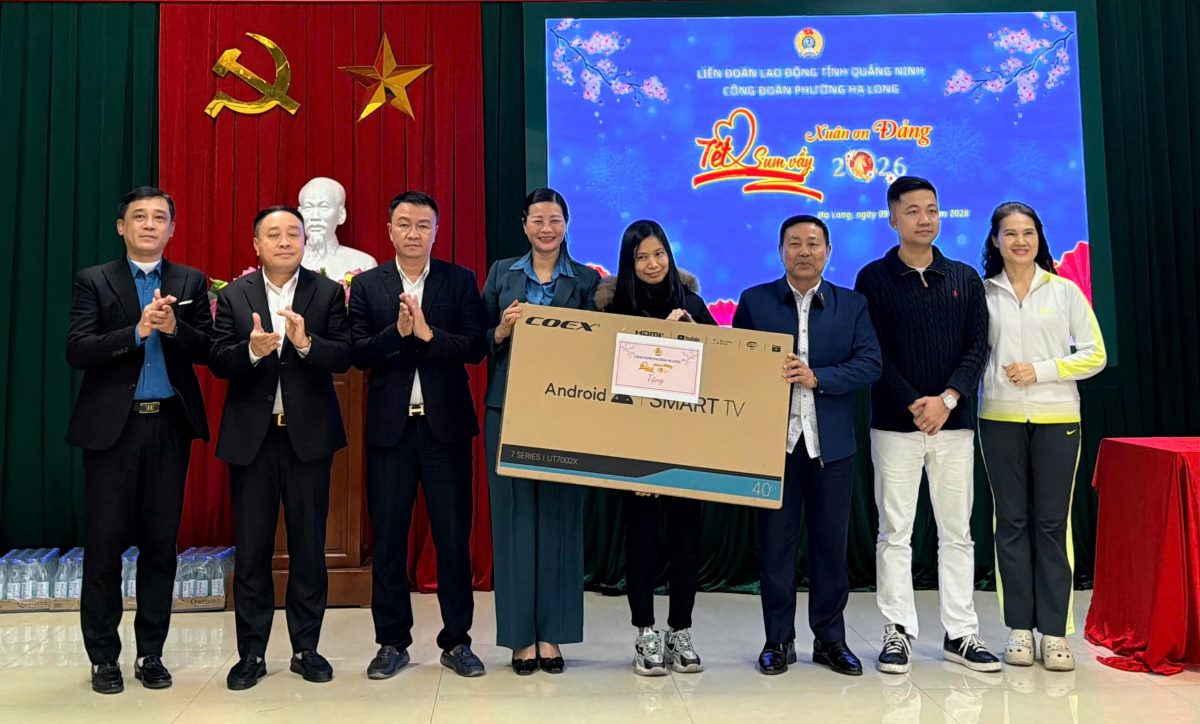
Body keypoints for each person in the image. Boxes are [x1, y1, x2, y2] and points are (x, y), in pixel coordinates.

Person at [66, 186, 212, 694]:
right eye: (139, 217)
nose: (150, 225)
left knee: (160, 546)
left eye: (160, 218)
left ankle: (151, 652)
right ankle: (103, 656)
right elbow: (78, 350)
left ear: (172, 228)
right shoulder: (94, 281)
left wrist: (174, 329)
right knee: (103, 546)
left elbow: (210, 350)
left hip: (169, 426)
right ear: (121, 226)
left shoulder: (190, 280)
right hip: (113, 430)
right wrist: (136, 332)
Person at [854, 176, 1000, 673]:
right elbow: (874, 351)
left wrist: (947, 398)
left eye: (932, 210)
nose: (924, 219)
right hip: (896, 425)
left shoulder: (963, 277)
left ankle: (961, 632)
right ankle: (898, 631)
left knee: (957, 532)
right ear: (893, 219)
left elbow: (977, 347)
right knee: (895, 531)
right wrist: (915, 402)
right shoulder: (873, 278)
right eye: (912, 211)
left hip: (954, 425)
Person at [210, 206, 352, 690]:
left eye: (293, 232)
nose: (285, 241)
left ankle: (306, 648)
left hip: (307, 439)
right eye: (274, 234)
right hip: (253, 441)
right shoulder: (233, 295)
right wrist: (252, 350)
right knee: (252, 552)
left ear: (303, 242)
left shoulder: (328, 292)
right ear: (257, 244)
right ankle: (250, 654)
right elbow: (217, 361)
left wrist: (307, 342)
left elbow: (345, 354)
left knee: (309, 548)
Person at [733, 215, 882, 676]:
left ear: (828, 251)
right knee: (775, 547)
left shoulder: (851, 304)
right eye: (794, 243)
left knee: (830, 547)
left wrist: (819, 378)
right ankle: (778, 640)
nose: (803, 251)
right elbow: (734, 363)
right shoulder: (755, 301)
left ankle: (830, 640)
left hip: (831, 447)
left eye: (813, 243)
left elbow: (870, 364)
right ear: (780, 251)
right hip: (773, 447)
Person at [348, 191, 488, 679]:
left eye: (422, 225)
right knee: (388, 540)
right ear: (389, 230)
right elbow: (358, 351)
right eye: (404, 224)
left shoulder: (459, 280)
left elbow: (475, 347)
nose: (413, 233)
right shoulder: (367, 286)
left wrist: (428, 335)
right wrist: (399, 333)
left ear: (436, 230)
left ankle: (458, 641)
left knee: (453, 539)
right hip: (390, 432)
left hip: (445, 430)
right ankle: (391, 642)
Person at [978, 202, 1106, 672]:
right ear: (995, 241)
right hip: (999, 419)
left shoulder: (1066, 291)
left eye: (1028, 232)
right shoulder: (982, 294)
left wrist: (1043, 371)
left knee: (1052, 525)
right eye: (1009, 233)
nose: (1019, 241)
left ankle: (1054, 633)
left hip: (1057, 419)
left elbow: (1094, 354)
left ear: (1039, 238)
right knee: (1010, 522)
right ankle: (1017, 629)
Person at [482, 187, 601, 674]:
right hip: (507, 408)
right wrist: (502, 332)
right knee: (513, 522)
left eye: (555, 220)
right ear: (524, 225)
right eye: (537, 220)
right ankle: (518, 639)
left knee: (559, 523)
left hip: (565, 414)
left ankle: (552, 637)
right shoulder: (500, 274)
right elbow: (476, 339)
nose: (546, 229)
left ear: (566, 224)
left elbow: (601, 347)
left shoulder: (590, 281)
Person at [592, 219, 716, 676]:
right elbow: (605, 379)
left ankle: (680, 631)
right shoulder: (613, 308)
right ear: (629, 261)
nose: (652, 264)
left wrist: (692, 334)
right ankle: (645, 632)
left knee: (687, 540)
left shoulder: (694, 304)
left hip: (687, 445)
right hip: (633, 445)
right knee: (641, 542)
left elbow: (721, 369)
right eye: (641, 257)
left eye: (658, 254)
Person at [297, 176, 379, 280]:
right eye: (308, 208)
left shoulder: (364, 263)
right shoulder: (283, 262)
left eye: (324, 207)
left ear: (341, 215)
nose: (315, 216)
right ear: (299, 214)